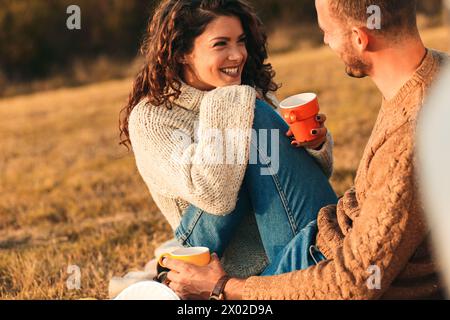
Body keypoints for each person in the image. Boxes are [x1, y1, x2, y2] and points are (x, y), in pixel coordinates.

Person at [162, 0, 449, 300]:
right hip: (330, 232)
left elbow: (353, 283)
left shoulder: (409, 143)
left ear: (360, 38)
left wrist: (222, 286)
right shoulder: (435, 72)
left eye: (327, 31)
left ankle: (176, 268)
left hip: (322, 268)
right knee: (254, 117)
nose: (325, 40)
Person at [119, 0, 338, 281]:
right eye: (221, 44)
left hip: (284, 235)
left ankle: (328, 247)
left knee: (255, 123)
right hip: (224, 260)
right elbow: (214, 195)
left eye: (241, 41)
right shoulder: (153, 119)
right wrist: (230, 101)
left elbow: (297, 187)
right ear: (183, 52)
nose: (237, 55)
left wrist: (314, 146)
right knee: (253, 119)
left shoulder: (247, 94)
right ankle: (324, 254)